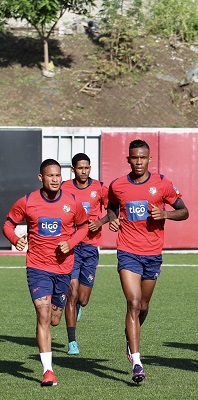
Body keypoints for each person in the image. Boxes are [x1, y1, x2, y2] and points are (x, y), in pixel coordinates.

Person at [106, 139, 189, 382]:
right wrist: (112, 219)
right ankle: (137, 361)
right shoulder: (118, 185)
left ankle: (130, 335)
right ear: (128, 160)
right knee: (132, 302)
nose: (139, 162)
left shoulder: (162, 184)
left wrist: (165, 214)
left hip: (152, 254)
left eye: (143, 158)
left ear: (149, 159)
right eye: (135, 158)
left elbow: (184, 211)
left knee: (142, 306)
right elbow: (112, 208)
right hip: (127, 251)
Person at [3, 159, 89, 386]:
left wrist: (70, 243)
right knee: (42, 315)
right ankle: (48, 371)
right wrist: (15, 239)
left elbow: (83, 227)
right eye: (50, 176)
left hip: (63, 269)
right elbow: (8, 224)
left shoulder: (72, 202)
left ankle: (62, 314)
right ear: (41, 178)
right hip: (37, 268)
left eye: (58, 176)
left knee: (54, 319)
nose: (55, 179)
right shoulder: (28, 201)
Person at [60, 153, 109, 356]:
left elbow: (113, 210)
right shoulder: (64, 188)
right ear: (73, 169)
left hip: (90, 247)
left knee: (83, 298)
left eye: (87, 168)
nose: (84, 171)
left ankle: (80, 306)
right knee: (71, 294)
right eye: (80, 168)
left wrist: (101, 222)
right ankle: (72, 342)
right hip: (72, 247)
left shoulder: (99, 187)